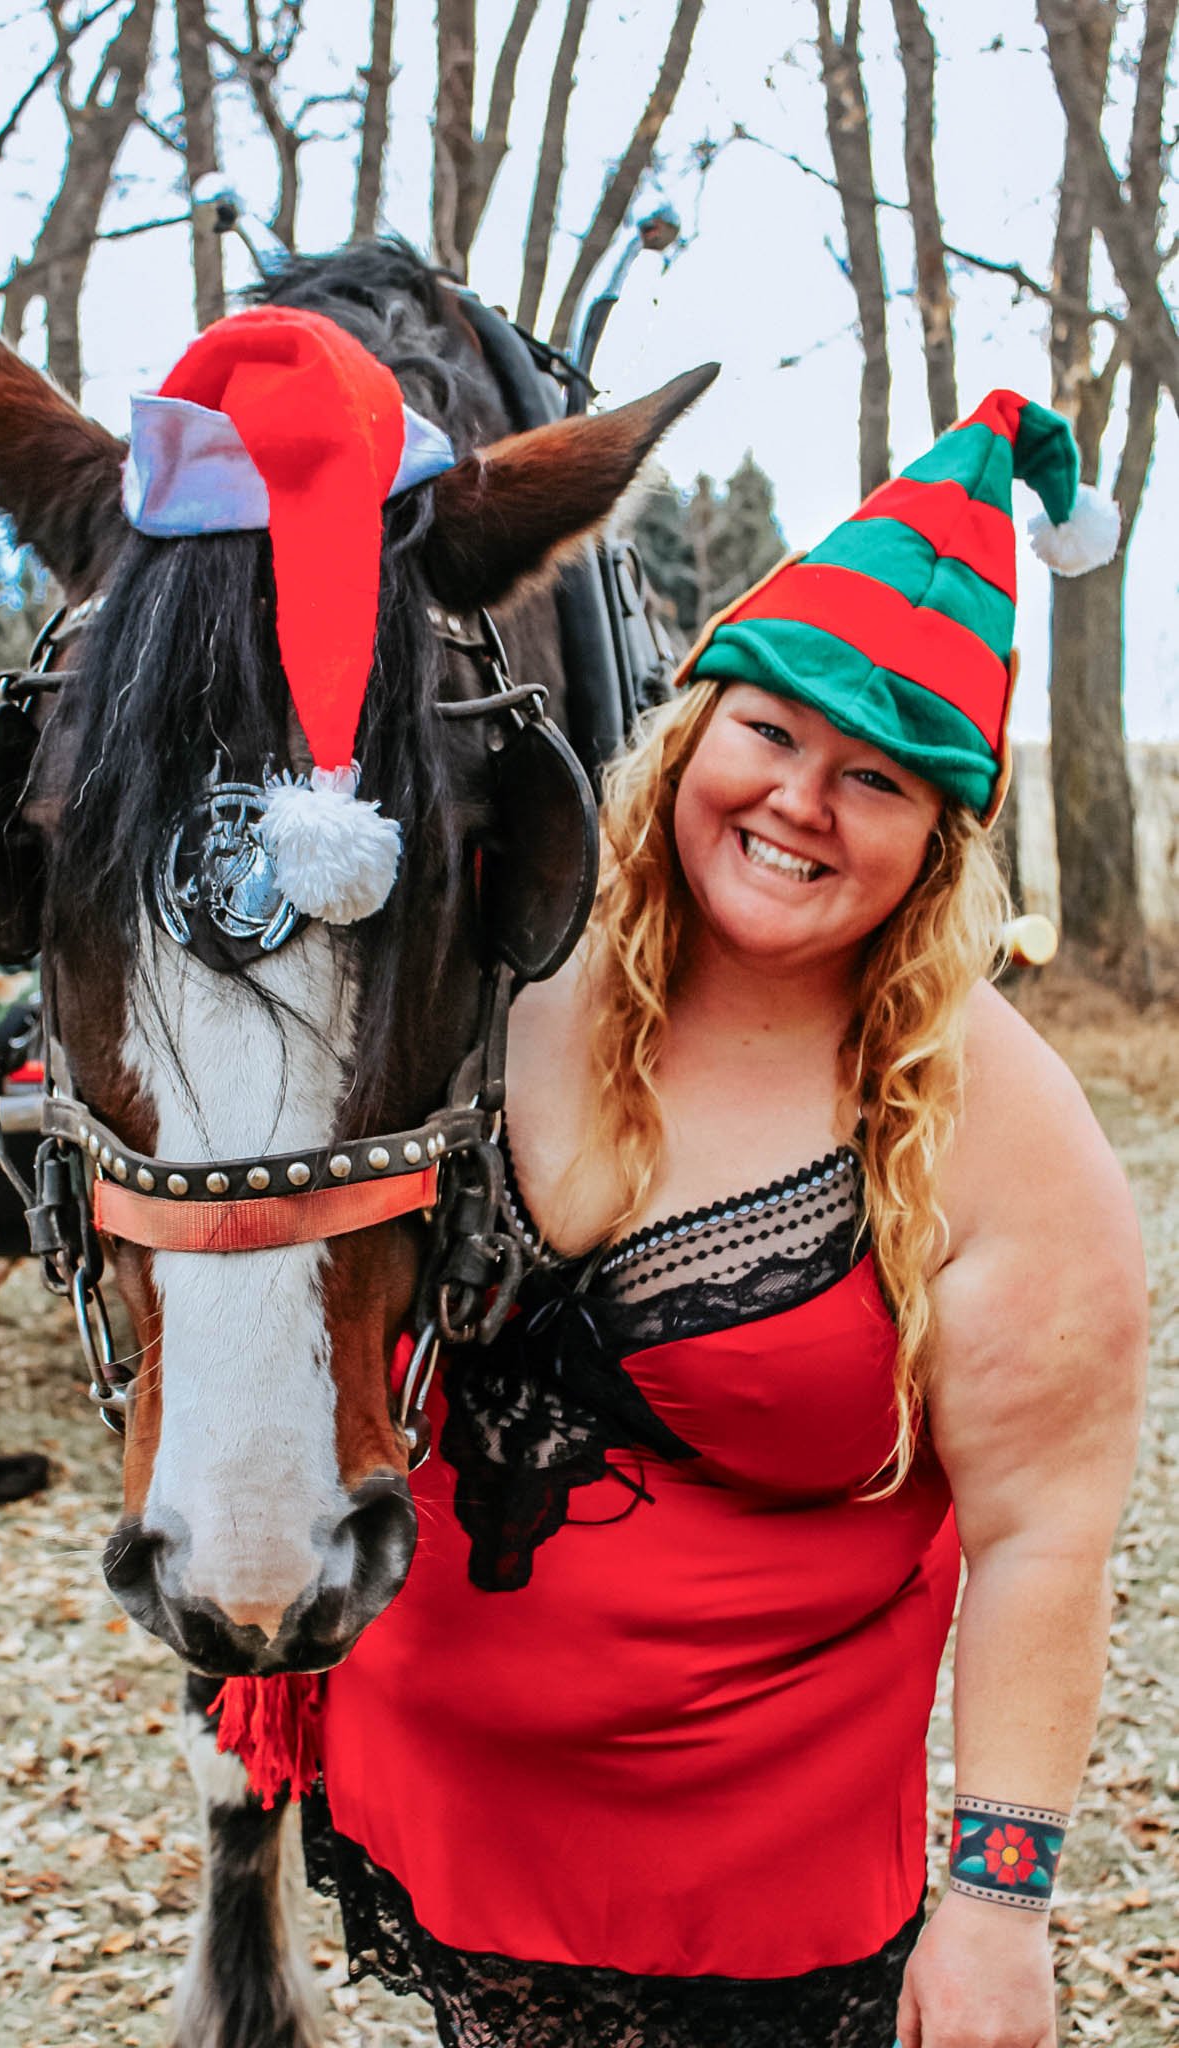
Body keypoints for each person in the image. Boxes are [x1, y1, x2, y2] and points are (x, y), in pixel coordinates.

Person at [297, 390, 1149, 2048]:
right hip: (442, 1816)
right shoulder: (506, 962)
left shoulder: (997, 1125)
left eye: (875, 776)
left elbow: (1042, 1535)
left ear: (939, 834)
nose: (800, 802)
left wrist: (997, 1905)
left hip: (752, 1910)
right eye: (768, 732)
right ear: (691, 729)